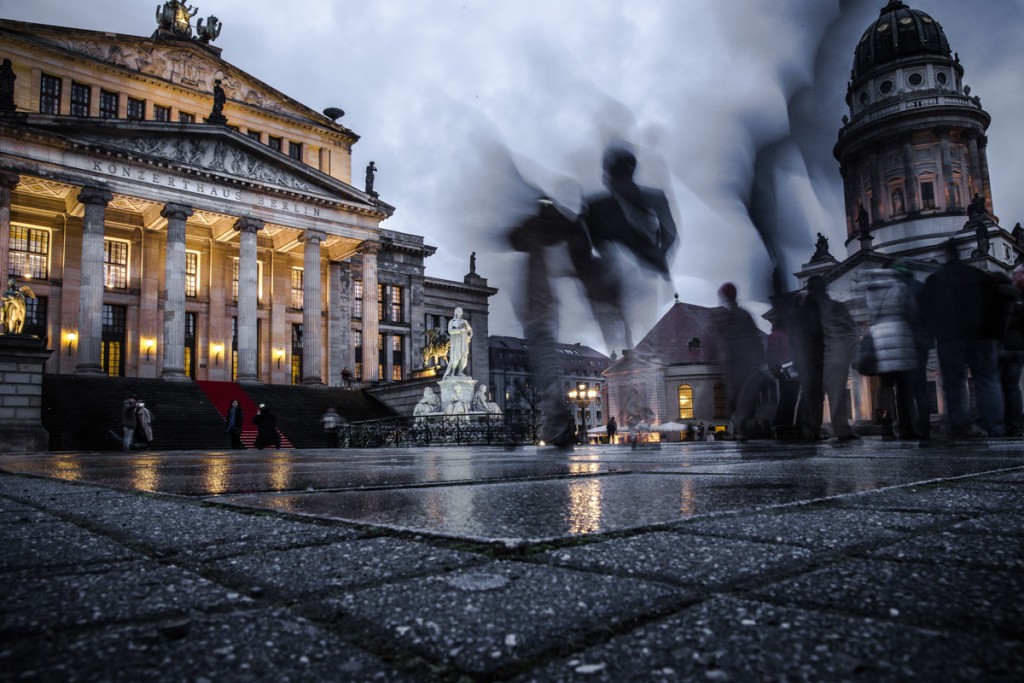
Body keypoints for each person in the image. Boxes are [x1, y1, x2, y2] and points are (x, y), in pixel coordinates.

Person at [920, 240, 1012, 438]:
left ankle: (958, 425)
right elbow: (997, 307)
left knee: (953, 384)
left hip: (950, 339)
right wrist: (997, 337)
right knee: (988, 381)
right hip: (983, 337)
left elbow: (926, 311)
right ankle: (996, 427)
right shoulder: (979, 275)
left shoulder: (936, 279)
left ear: (946, 256)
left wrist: (936, 333)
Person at [800, 277, 860, 441]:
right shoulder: (835, 307)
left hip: (815, 357)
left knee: (814, 396)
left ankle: (811, 430)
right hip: (833, 355)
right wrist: (855, 353)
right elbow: (850, 332)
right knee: (836, 394)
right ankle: (841, 429)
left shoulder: (806, 309)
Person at [863, 266, 919, 440]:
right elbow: (913, 313)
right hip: (899, 339)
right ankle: (907, 427)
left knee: (884, 387)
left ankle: (886, 426)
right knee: (904, 388)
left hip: (879, 339)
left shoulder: (871, 291)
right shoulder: (899, 287)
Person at [713, 282, 769, 441]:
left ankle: (740, 428)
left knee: (739, 396)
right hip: (746, 362)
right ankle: (741, 428)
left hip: (736, 363)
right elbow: (755, 338)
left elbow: (719, 340)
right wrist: (760, 360)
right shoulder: (743, 315)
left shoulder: (725, 317)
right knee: (745, 395)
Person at [1000, 263, 1024, 437]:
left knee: (1000, 385)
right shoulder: (1019, 299)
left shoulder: (1003, 297)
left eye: (1015, 273)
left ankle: (1003, 424)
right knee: (1013, 387)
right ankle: (1015, 425)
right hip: (1018, 346)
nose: (1012, 277)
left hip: (1004, 345)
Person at [443, 307, 473, 378]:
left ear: (462, 313)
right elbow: (450, 331)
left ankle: (460, 371)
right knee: (456, 357)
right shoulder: (452, 321)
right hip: (456, 342)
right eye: (457, 311)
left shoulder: (464, 322)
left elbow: (470, 331)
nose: (459, 313)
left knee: (464, 357)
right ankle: (453, 372)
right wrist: (459, 330)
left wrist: (466, 327)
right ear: (455, 313)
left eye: (460, 311)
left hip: (464, 342)